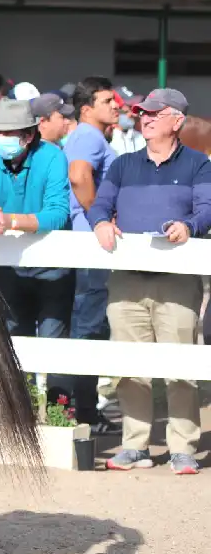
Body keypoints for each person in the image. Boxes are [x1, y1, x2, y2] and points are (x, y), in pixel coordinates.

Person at [89, 88, 210, 475]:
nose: (145, 118)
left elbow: (207, 209)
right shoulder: (123, 165)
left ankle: (183, 447)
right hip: (126, 281)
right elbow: (99, 205)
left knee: (181, 367)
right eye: (142, 113)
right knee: (129, 367)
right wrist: (101, 223)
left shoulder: (198, 165)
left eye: (154, 113)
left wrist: (189, 226)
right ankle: (134, 445)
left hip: (177, 282)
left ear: (177, 120)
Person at [0, 99, 73, 399]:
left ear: (28, 135)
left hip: (53, 265)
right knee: (12, 337)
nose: (1, 139)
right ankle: (18, 410)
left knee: (54, 340)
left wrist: (11, 220)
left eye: (8, 133)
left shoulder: (53, 156)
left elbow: (58, 212)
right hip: (6, 264)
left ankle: (59, 411)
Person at [65, 76, 119, 425]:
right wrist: (100, 217)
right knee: (88, 327)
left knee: (88, 325)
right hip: (90, 245)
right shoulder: (88, 136)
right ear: (87, 109)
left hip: (87, 244)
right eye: (107, 101)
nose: (115, 105)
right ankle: (84, 413)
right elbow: (79, 176)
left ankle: (83, 410)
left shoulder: (91, 136)